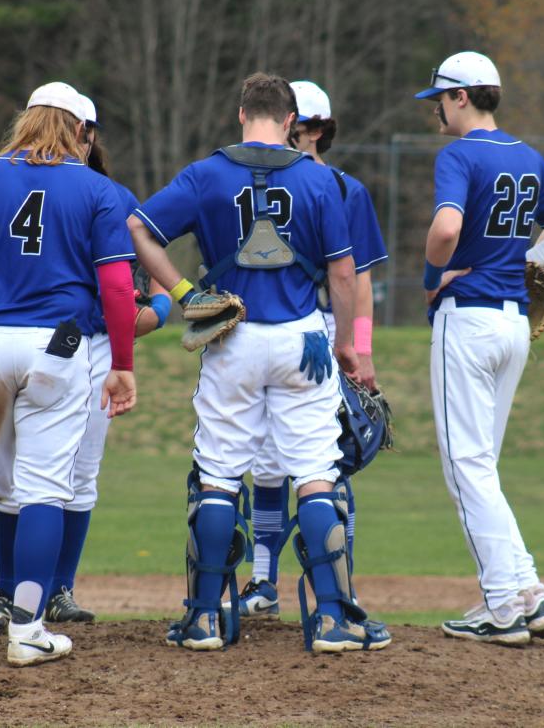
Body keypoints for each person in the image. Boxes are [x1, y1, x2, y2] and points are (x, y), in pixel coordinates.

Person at [128, 71, 391, 653]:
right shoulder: (320, 181)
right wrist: (350, 343)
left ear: (242, 115)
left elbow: (139, 232)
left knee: (219, 474)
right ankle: (333, 621)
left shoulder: (207, 173)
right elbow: (346, 273)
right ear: (291, 122)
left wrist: (185, 294)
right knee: (317, 472)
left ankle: (202, 620)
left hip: (230, 336)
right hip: (303, 338)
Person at [0, 81, 138, 667]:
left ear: (26, 121)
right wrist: (121, 363)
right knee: (44, 488)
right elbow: (118, 287)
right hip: (58, 348)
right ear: (74, 129)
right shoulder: (97, 189)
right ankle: (27, 630)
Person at [0, 92, 170, 633]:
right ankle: (19, 596)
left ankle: (45, 593)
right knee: (56, 480)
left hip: (22, 346)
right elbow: (129, 303)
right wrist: (172, 308)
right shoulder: (106, 194)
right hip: (81, 349)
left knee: (34, 479)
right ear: (86, 133)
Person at [415, 51, 544, 646]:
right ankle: (527, 591)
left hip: (466, 320)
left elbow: (444, 230)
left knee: (464, 466)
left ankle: (500, 608)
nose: (437, 109)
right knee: (481, 466)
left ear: (462, 96)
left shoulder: (460, 154)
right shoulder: (526, 157)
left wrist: (434, 273)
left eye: (440, 98)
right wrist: (521, 261)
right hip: (513, 325)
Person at [235, 79, 388, 618]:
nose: (285, 134)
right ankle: (262, 580)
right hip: (268, 330)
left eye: (295, 127)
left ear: (316, 130)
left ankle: (338, 586)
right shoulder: (251, 180)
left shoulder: (345, 189)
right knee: (266, 464)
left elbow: (360, 281)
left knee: (328, 462)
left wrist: (361, 350)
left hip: (326, 332)